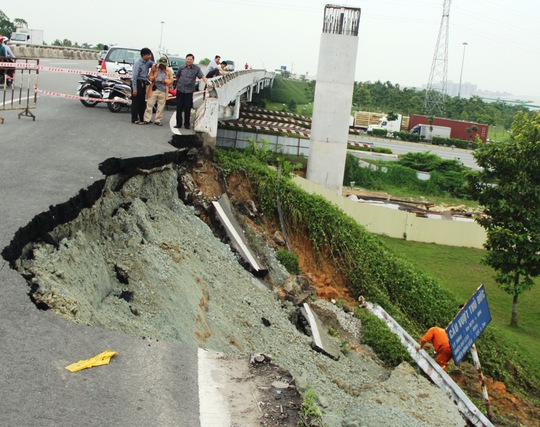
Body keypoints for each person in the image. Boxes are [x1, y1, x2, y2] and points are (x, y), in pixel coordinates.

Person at [175, 53, 212, 129]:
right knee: (179, 108)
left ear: (193, 60)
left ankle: (187, 124)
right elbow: (177, 76)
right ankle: (178, 124)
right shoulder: (181, 67)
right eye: (188, 59)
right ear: (186, 60)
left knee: (187, 108)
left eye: (190, 59)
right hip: (180, 90)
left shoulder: (196, 69)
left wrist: (207, 83)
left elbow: (202, 76)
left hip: (189, 92)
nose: (189, 61)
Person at [140, 57, 173, 126]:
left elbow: (171, 80)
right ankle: (147, 119)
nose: (162, 66)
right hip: (154, 89)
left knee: (161, 106)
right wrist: (154, 78)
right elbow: (150, 76)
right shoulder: (154, 68)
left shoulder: (169, 71)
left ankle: (158, 120)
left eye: (163, 65)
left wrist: (165, 81)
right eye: (161, 64)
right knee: (149, 104)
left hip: (163, 90)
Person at [131, 47, 154, 124]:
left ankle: (142, 118)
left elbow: (153, 64)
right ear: (143, 55)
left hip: (143, 83)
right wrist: (134, 88)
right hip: (137, 82)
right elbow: (134, 77)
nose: (149, 56)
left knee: (142, 102)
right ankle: (134, 118)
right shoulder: (138, 63)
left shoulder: (148, 62)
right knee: (136, 102)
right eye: (148, 55)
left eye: (150, 55)